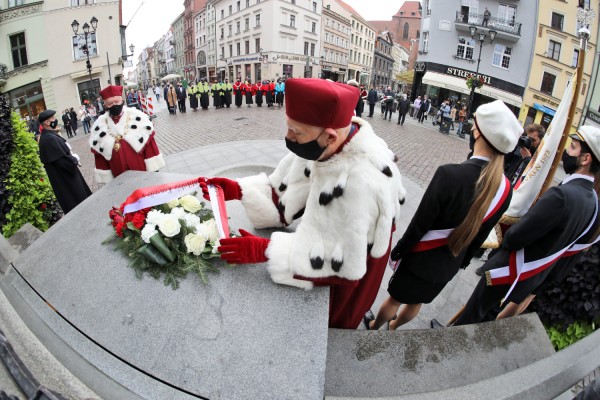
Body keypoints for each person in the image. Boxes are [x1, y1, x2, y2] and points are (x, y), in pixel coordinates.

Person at [203, 78, 406, 329]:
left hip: (347, 279)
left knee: (330, 328)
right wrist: (239, 190)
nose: (288, 137)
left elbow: (335, 261)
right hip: (337, 248)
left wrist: (264, 249)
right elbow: (284, 193)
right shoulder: (322, 141)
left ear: (330, 136)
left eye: (296, 132)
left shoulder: (361, 182)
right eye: (289, 127)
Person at [365, 100, 520, 331]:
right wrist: (462, 263)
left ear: (477, 132)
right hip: (450, 262)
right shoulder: (505, 190)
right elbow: (480, 236)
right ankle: (394, 328)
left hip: (421, 258)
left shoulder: (449, 174)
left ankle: (376, 325)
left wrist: (401, 249)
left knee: (395, 299)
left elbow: (420, 223)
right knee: (416, 302)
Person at [454, 125, 600, 326]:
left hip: (511, 268)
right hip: (532, 275)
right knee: (485, 315)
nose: (567, 152)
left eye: (573, 147)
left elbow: (516, 236)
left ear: (585, 159)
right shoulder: (593, 201)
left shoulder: (562, 195)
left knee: (473, 312)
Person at [89, 85, 166, 184]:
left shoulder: (137, 117)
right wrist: (106, 179)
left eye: (116, 102)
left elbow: (149, 145)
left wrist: (154, 168)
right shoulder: (99, 126)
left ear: (122, 101)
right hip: (118, 178)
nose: (114, 105)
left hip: (142, 173)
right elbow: (99, 156)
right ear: (105, 106)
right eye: (110, 103)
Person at [38, 110, 91, 213]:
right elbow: (64, 162)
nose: (55, 120)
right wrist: (75, 159)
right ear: (47, 122)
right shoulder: (49, 139)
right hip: (68, 180)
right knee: (80, 205)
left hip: (65, 179)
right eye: (53, 118)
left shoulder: (48, 135)